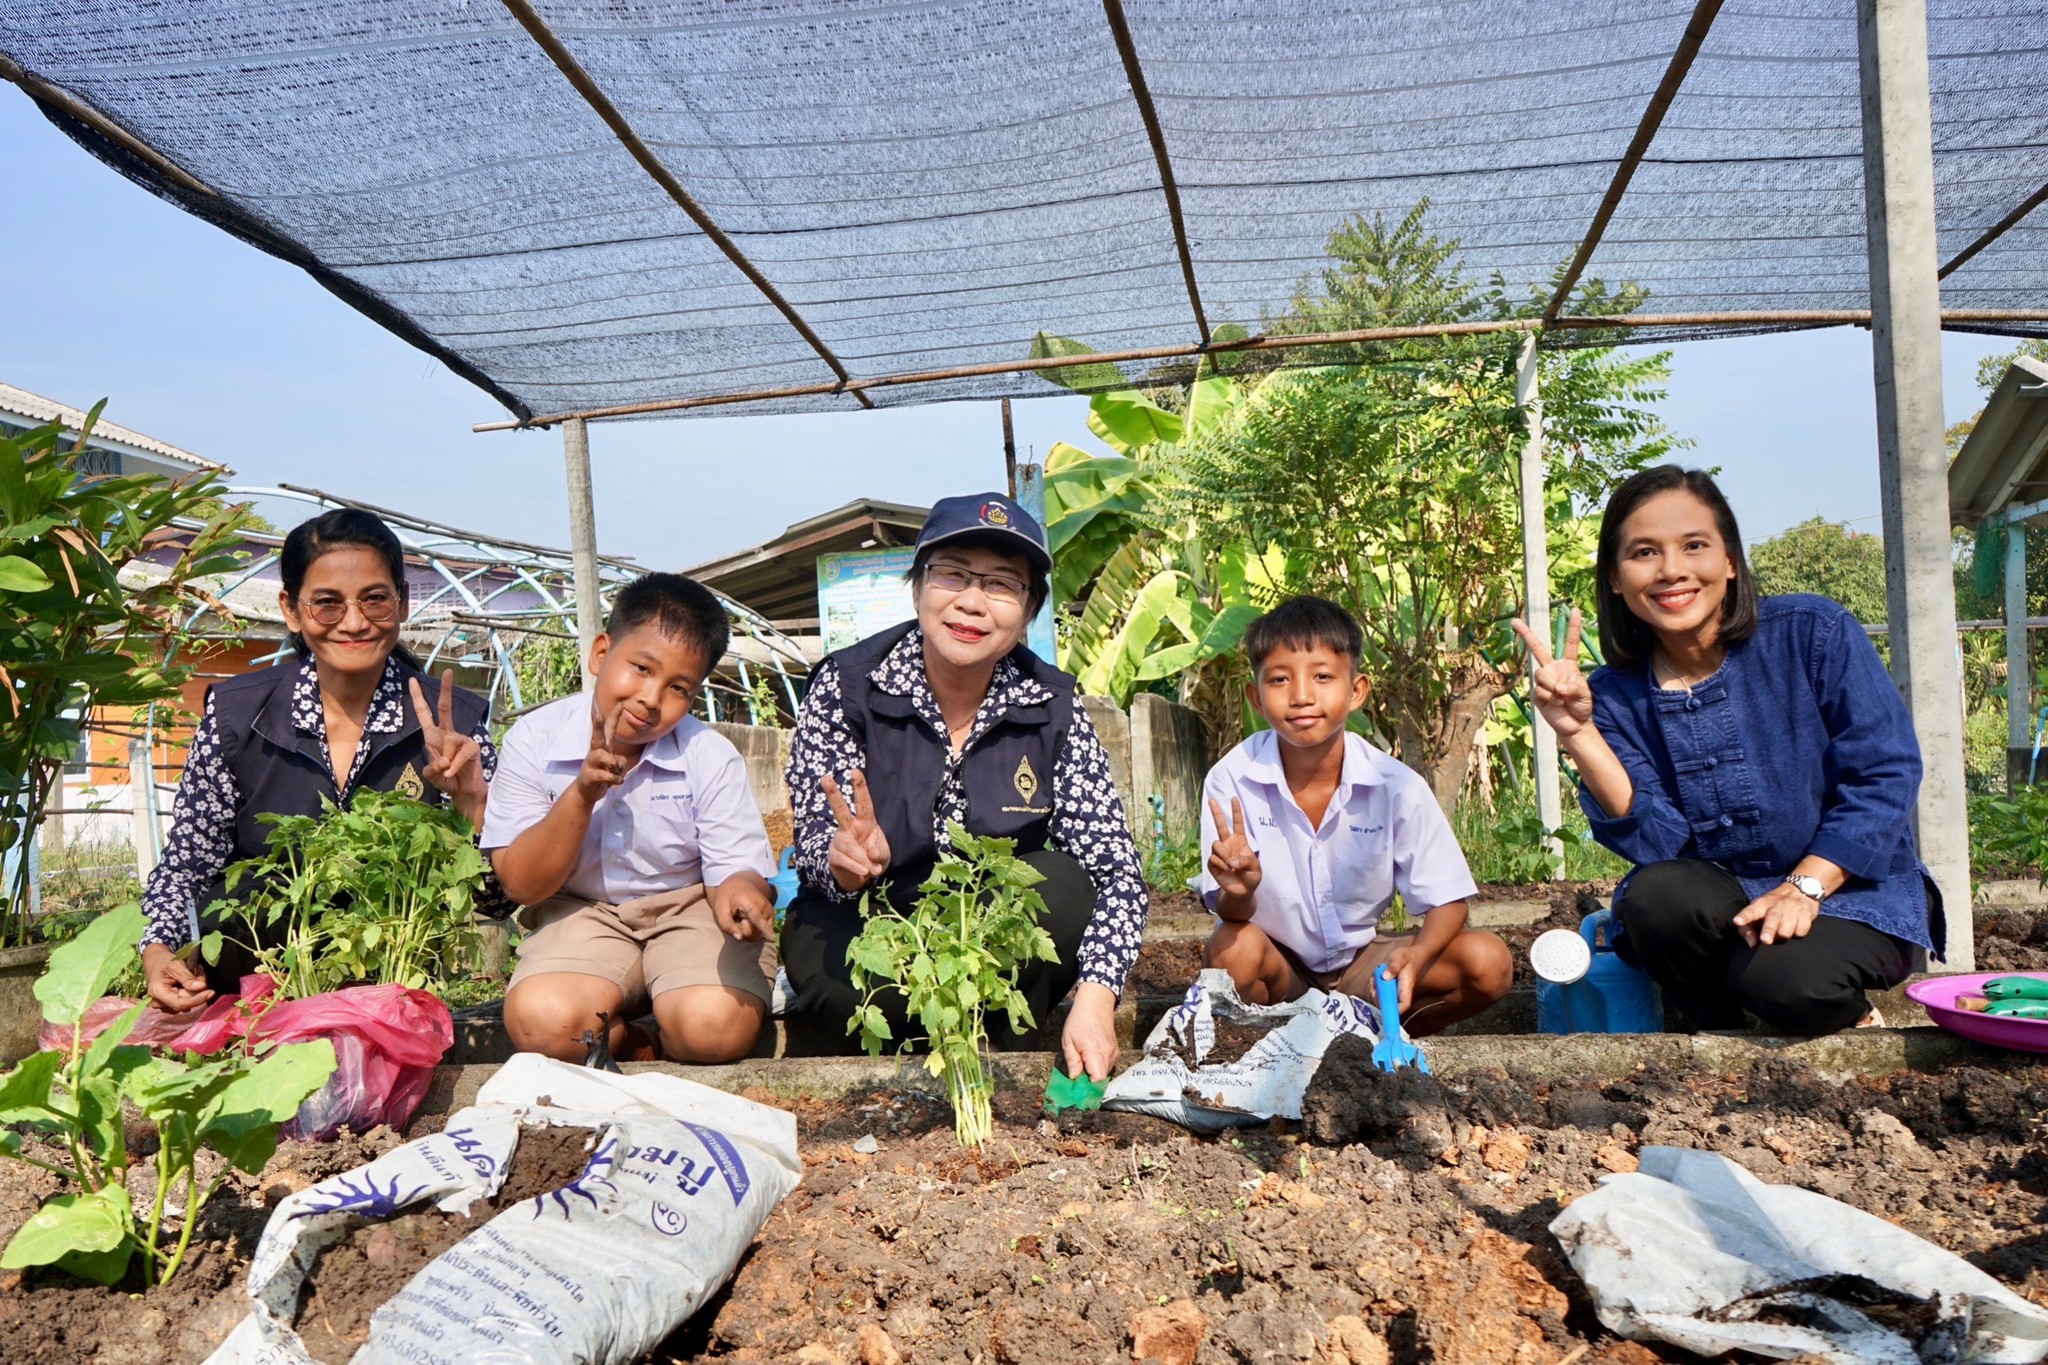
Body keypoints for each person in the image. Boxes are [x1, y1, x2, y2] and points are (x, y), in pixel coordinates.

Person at [1513, 465, 1940, 1036]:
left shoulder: (1813, 633)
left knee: (1784, 979)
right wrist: (1578, 733)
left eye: (1694, 546)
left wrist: (1803, 887)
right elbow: (1658, 844)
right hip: (1720, 907)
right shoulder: (1613, 696)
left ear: (1731, 560)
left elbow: (1885, 773)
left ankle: (1851, 1019)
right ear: (1615, 577)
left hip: (1850, 891)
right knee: (1655, 897)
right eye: (1644, 553)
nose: (1672, 571)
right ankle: (1718, 1032)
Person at [780, 492, 1148, 1082]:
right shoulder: (848, 686)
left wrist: (1097, 996)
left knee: (1067, 887)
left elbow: (1115, 872)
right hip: (876, 925)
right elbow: (821, 844)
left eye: (1003, 585)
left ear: (1028, 611)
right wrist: (844, 861)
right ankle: (937, 1049)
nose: (973, 602)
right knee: (834, 980)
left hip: (989, 935)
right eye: (953, 575)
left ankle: (987, 1045)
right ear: (919, 584)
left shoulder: (1051, 705)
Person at [141, 508, 495, 1008]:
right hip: (249, 1002)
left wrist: (474, 807)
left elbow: (498, 900)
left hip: (394, 1003)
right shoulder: (236, 716)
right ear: (291, 609)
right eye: (327, 603)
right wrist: (159, 954)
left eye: (375, 599)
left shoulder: (455, 723)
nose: (354, 622)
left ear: (403, 602)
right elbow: (187, 865)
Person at [484, 573, 776, 1064]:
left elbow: (734, 867)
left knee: (712, 1030)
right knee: (544, 1023)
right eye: (641, 667)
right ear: (601, 653)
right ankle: (636, 1044)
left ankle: (673, 1026)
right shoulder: (534, 739)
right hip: (581, 913)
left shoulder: (709, 754)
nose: (651, 697)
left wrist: (740, 893)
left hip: (690, 913)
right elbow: (521, 885)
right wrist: (580, 794)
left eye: (678, 687)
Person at [1199, 596, 1512, 1035]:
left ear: (1356, 691)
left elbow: (1448, 900)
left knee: (1488, 962)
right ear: (1256, 696)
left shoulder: (1395, 785)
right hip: (1279, 967)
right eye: (1279, 679)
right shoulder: (1231, 781)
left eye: (1323, 677)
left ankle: (1378, 1037)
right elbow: (1233, 913)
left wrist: (1417, 955)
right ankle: (1267, 1048)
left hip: (1364, 965)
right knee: (1233, 951)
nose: (1302, 695)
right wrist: (1240, 890)